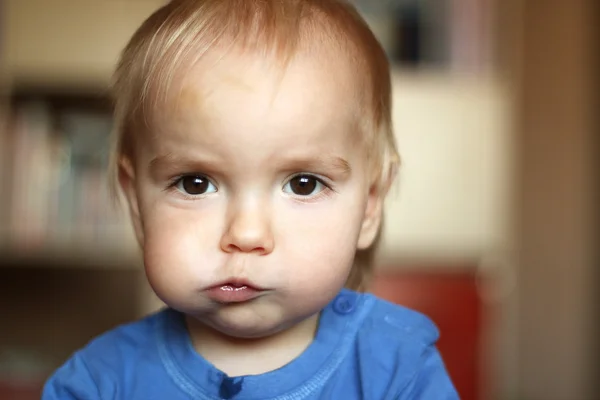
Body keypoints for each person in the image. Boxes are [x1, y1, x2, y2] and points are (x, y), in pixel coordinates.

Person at [42, 0, 458, 398]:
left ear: (369, 205)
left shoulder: (399, 373)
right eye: (195, 183)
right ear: (135, 202)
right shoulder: (98, 384)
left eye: (303, 184)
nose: (245, 234)